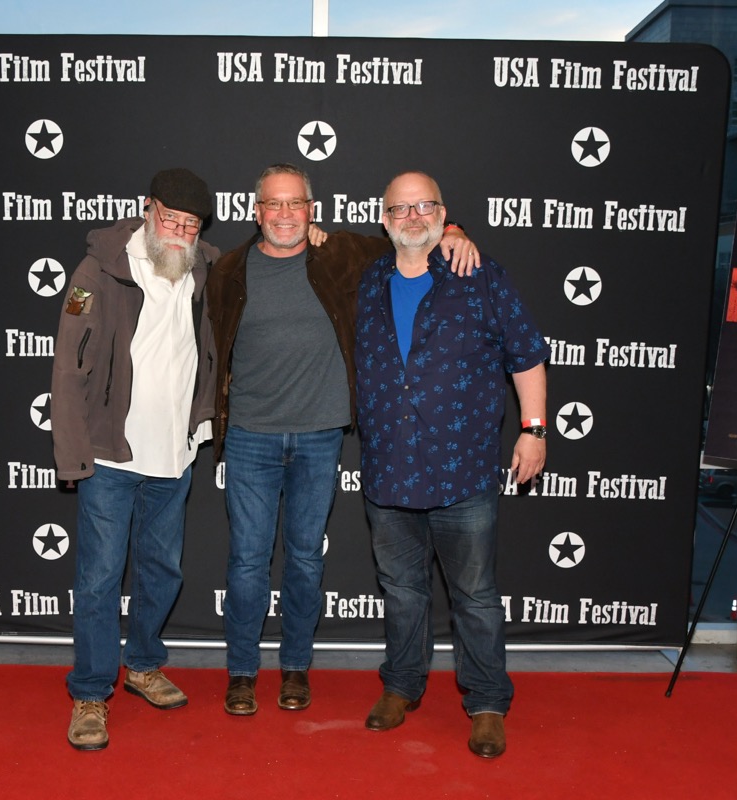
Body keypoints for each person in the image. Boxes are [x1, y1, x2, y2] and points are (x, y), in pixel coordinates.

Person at [206, 163, 478, 716]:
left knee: (306, 559)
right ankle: (240, 672)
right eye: (273, 205)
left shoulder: (343, 254)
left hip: (320, 436)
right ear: (256, 212)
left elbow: (414, 233)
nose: (284, 215)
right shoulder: (229, 270)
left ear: (313, 210)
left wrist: (453, 232)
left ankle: (296, 669)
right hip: (250, 438)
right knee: (247, 562)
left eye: (295, 204)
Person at [354, 171, 549, 759]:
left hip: (462, 470)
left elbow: (527, 355)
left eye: (426, 207)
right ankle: (401, 686)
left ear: (443, 213)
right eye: (401, 209)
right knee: (402, 590)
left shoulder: (480, 275)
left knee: (475, 595)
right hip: (389, 470)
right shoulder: (367, 280)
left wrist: (534, 429)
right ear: (384, 219)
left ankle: (488, 702)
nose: (413, 217)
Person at [50, 168, 218, 751]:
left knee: (162, 571)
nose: (178, 232)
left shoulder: (205, 272)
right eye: (170, 219)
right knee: (98, 577)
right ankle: (91, 693)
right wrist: (70, 451)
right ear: (149, 210)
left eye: (190, 225)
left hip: (175, 455)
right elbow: (67, 364)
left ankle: (144, 664)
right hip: (110, 455)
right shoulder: (99, 269)